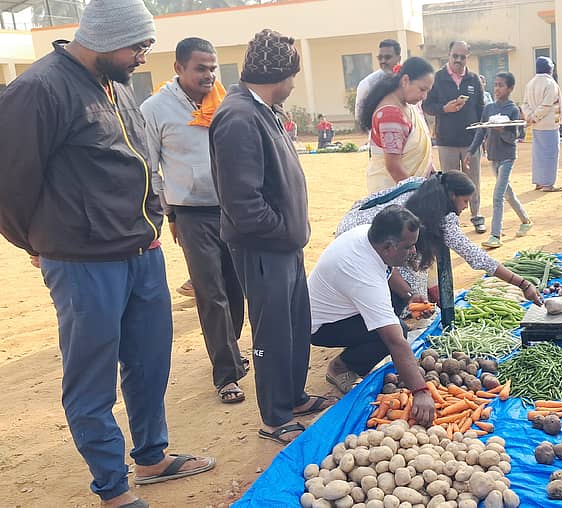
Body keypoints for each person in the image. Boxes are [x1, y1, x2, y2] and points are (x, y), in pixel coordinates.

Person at [0, 1, 216, 505]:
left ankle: (151, 458)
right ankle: (113, 489)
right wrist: (36, 243)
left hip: (142, 252)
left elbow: (138, 163)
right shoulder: (39, 89)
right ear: (105, 37)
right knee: (92, 381)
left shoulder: (116, 83)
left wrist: (155, 222)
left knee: (148, 364)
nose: (143, 56)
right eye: (138, 46)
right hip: (84, 263)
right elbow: (9, 182)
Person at [210, 29, 336, 446]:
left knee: (294, 325)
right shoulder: (239, 118)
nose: (294, 84)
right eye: (292, 76)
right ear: (278, 75)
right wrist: (283, 231)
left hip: (284, 245)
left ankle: (293, 398)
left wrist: (291, 233)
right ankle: (275, 417)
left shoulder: (263, 110)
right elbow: (242, 203)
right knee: (272, 333)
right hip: (263, 247)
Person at [141, 37, 248, 404]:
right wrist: (169, 212)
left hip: (230, 210)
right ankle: (226, 375)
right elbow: (150, 166)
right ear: (179, 68)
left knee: (235, 288)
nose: (209, 75)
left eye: (212, 68)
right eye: (200, 68)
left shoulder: (224, 101)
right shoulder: (156, 108)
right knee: (210, 293)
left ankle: (231, 349)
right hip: (190, 213)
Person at [336, 173, 544, 309]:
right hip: (364, 236)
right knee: (399, 289)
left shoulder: (422, 185)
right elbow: (476, 257)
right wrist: (523, 284)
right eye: (465, 201)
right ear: (452, 195)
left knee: (410, 281)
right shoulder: (444, 219)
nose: (465, 207)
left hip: (351, 222)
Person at [309, 205, 435, 427]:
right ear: (388, 246)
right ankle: (340, 368)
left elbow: (388, 269)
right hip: (320, 326)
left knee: (395, 307)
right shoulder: (362, 272)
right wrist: (421, 391)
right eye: (408, 247)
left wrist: (409, 296)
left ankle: (358, 351)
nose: (413, 251)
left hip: (342, 307)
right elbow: (394, 340)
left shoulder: (371, 237)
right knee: (396, 331)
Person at [422, 41, 487, 233]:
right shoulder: (438, 79)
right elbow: (426, 105)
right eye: (455, 56)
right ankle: (451, 221)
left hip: (470, 142)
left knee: (473, 180)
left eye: (462, 57)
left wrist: (482, 136)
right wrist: (444, 108)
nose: (458, 60)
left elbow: (481, 109)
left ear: (468, 57)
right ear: (448, 55)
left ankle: (476, 216)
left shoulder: (474, 79)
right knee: (449, 183)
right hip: (447, 141)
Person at [466, 72, 533, 248]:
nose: (497, 89)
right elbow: (481, 131)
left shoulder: (513, 109)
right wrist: (471, 151)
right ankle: (526, 220)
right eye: (495, 85)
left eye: (501, 85)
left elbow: (515, 137)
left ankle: (495, 235)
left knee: (498, 196)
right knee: (507, 193)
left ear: (510, 88)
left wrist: (502, 130)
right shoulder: (489, 108)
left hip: (507, 157)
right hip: (493, 156)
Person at [361, 57, 436, 193]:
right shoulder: (390, 115)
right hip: (394, 193)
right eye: (422, 89)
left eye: (427, 91)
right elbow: (394, 168)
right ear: (405, 80)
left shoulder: (409, 106)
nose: (424, 96)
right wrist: (416, 195)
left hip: (412, 188)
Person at [523, 56, 562, 192]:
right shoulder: (550, 84)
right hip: (549, 125)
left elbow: (525, 104)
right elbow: (547, 105)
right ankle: (548, 184)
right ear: (550, 69)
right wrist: (535, 117)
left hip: (536, 126)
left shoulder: (530, 83)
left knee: (538, 154)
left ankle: (539, 182)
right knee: (550, 154)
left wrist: (530, 117)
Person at [355, 38, 402, 126]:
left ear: (398, 58)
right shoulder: (367, 84)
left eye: (387, 57)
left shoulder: (406, 80)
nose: (383, 61)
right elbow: (360, 117)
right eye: (380, 58)